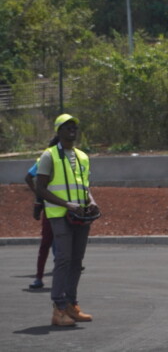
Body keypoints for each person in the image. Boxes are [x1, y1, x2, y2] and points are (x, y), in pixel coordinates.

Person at [36, 114, 100, 327]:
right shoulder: (49, 156)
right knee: (63, 258)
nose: (72, 130)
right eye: (67, 127)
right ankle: (59, 308)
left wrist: (90, 200)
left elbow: (84, 186)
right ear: (58, 131)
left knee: (76, 261)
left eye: (74, 127)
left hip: (81, 215)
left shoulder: (82, 156)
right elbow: (40, 188)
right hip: (60, 215)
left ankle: (71, 304)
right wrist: (66, 205)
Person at [24, 142, 56, 289]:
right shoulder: (46, 159)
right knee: (54, 243)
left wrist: (38, 197)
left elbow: (30, 178)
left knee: (48, 243)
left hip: (55, 209)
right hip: (58, 209)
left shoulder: (45, 158)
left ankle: (40, 277)